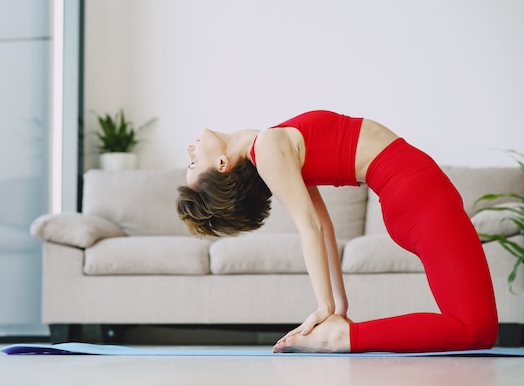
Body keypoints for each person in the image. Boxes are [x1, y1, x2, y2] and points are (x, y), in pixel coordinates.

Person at [176, 110, 498, 353]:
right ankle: (345, 338)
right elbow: (311, 227)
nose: (190, 150)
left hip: (415, 197)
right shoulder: (269, 147)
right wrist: (325, 308)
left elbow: (325, 226)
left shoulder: (273, 146)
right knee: (476, 329)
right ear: (222, 164)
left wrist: (339, 308)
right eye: (193, 164)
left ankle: (343, 332)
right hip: (417, 198)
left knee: (475, 327)